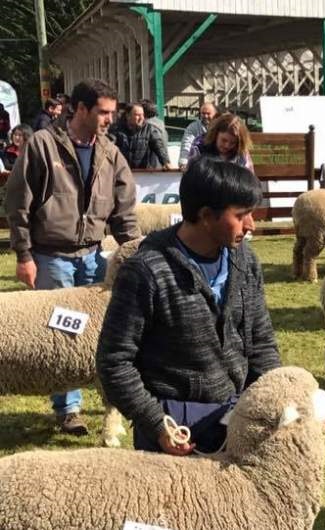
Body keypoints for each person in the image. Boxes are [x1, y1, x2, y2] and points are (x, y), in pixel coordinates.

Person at [97, 157, 280, 455]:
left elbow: (261, 341)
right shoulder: (146, 271)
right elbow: (114, 361)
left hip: (237, 418)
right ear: (206, 215)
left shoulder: (244, 260)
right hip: (173, 430)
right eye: (241, 215)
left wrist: (275, 401)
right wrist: (156, 425)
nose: (251, 225)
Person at [6, 79, 139, 436]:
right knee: (62, 336)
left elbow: (124, 214)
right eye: (104, 112)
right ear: (80, 109)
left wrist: (137, 255)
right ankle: (69, 409)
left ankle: (111, 405)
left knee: (104, 334)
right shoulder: (42, 146)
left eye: (112, 112)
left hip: (95, 258)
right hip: (52, 257)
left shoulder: (111, 153)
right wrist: (24, 254)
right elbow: (18, 203)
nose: (110, 119)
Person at [188, 113, 254, 172]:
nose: (227, 146)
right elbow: (191, 173)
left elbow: (249, 178)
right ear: (215, 134)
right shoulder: (199, 145)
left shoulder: (241, 152)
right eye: (224, 140)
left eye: (232, 143)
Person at [114, 102, 171, 170]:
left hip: (144, 174)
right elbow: (109, 146)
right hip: (121, 172)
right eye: (137, 115)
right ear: (128, 116)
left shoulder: (149, 130)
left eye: (142, 115)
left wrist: (165, 162)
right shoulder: (116, 129)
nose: (141, 118)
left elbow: (159, 146)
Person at [179, 102, 218, 168]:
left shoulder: (222, 126)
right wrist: (183, 161)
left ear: (215, 114)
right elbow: (187, 143)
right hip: (200, 164)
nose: (205, 116)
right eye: (203, 113)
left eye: (208, 114)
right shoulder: (193, 127)